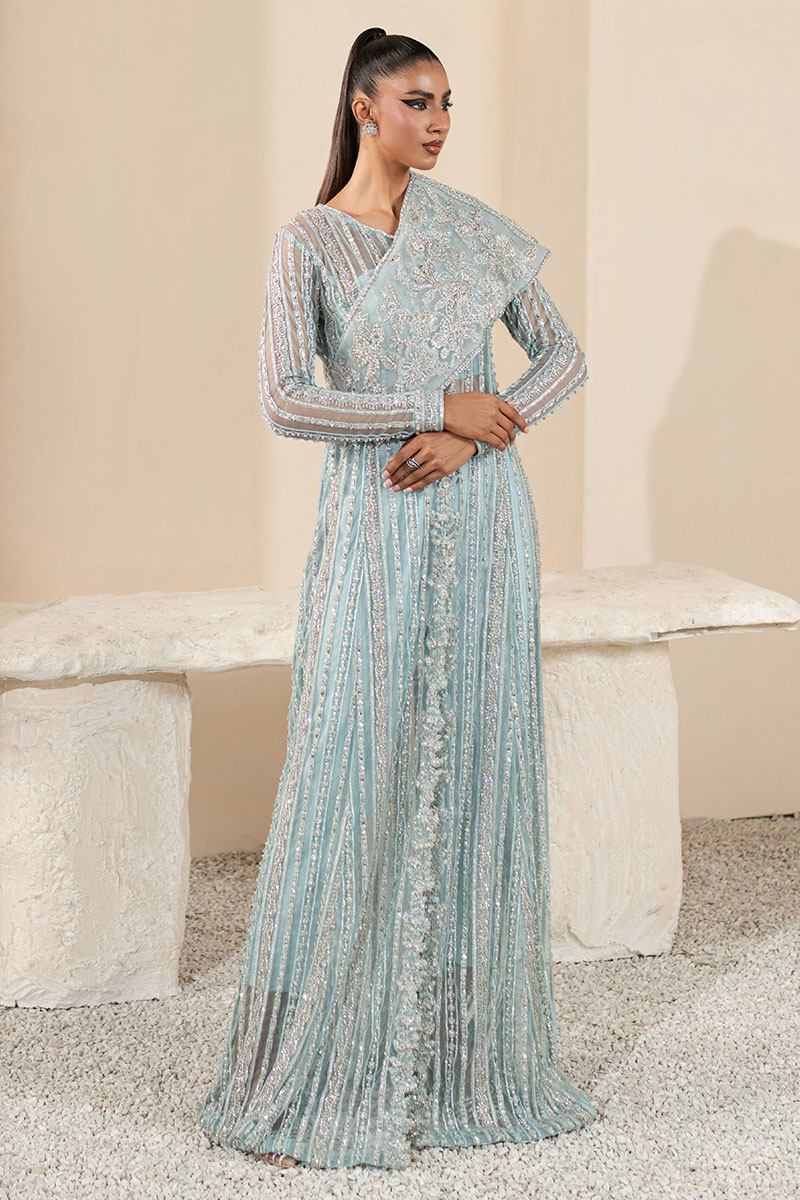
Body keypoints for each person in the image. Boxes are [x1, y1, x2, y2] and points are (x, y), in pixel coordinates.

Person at [197, 26, 598, 1172]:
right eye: (417, 101)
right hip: (373, 526)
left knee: (476, 764)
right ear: (363, 106)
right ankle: (314, 1065)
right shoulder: (308, 242)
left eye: (448, 103)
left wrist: (473, 435)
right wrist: (430, 404)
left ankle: (460, 1065)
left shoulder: (467, 229)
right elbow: (287, 399)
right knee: (353, 761)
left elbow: (562, 358)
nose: (438, 122)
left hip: (483, 526)